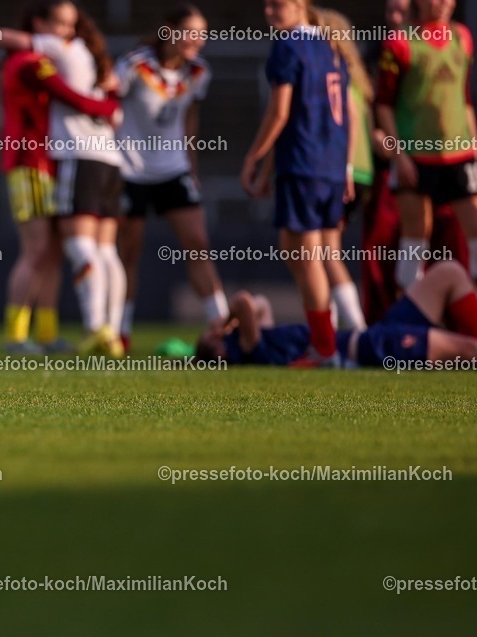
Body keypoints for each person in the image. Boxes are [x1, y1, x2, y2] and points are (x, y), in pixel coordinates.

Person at [0, 2, 127, 357]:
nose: (66, 33)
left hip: (50, 163)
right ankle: (16, 336)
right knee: (36, 251)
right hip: (29, 163)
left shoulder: (39, 58)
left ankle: (47, 333)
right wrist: (111, 104)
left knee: (52, 253)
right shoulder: (31, 63)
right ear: (39, 24)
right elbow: (72, 98)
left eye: (71, 26)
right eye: (60, 25)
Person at [241, 0, 355, 366]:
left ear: (302, 5)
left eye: (279, 5)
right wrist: (347, 166)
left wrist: (253, 157)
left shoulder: (288, 45)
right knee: (298, 250)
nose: (270, 12)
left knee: (308, 259)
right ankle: (327, 338)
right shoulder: (330, 46)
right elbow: (342, 114)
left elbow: (280, 112)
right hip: (329, 166)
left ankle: (326, 348)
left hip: (306, 166)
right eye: (267, 5)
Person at [114, 4, 228, 351]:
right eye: (191, 32)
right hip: (130, 170)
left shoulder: (199, 73)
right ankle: (120, 331)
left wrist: (191, 169)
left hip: (173, 170)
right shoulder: (135, 65)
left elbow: (189, 122)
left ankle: (222, 326)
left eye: (203, 33)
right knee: (128, 253)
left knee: (198, 245)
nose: (198, 40)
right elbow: (108, 107)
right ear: (170, 32)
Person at [195, 260, 477, 367]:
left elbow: (260, 305)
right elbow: (243, 302)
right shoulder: (247, 350)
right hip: (369, 350)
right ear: (218, 347)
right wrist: (227, 321)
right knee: (468, 350)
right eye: (213, 335)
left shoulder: (260, 340)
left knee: (448, 273)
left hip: (371, 335)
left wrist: (231, 322)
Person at [375, 0, 477, 289]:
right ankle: (409, 318)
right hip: (415, 157)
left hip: (459, 154)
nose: (443, 3)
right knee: (416, 234)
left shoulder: (462, 38)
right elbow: (383, 106)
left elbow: (464, 98)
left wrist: (474, 141)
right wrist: (399, 155)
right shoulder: (400, 43)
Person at [316, 7, 368, 332]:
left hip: (341, 172)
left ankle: (356, 330)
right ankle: (329, 331)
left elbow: (349, 126)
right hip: (357, 173)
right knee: (321, 253)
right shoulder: (355, 77)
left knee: (326, 253)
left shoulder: (335, 76)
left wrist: (345, 168)